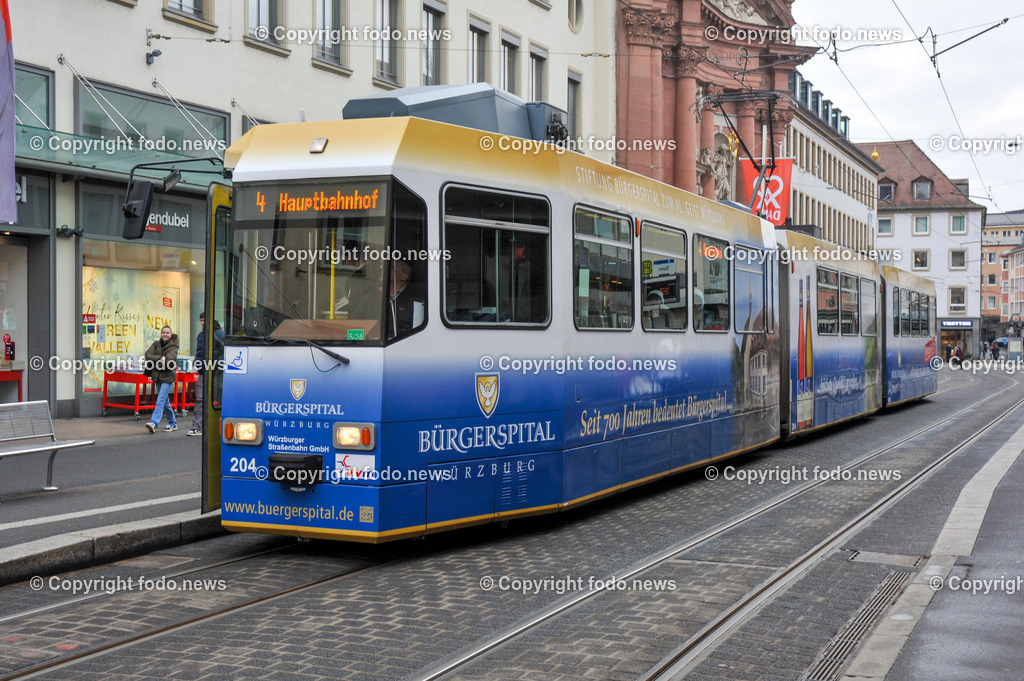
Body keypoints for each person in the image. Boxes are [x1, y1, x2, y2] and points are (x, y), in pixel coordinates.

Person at [145, 325, 179, 433]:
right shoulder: (156, 344)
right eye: (163, 332)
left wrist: (158, 361)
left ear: (171, 334)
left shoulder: (173, 347)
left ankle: (153, 423)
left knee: (160, 400)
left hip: (168, 377)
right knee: (165, 402)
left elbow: (169, 363)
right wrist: (160, 358)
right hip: (158, 376)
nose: (165, 334)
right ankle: (173, 423)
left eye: (167, 333)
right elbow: (147, 355)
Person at [387, 260, 423, 339]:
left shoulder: (415, 302)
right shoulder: (369, 298)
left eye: (393, 267)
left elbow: (419, 333)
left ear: (404, 276)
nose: (383, 268)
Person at [187, 313, 207, 436]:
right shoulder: (200, 335)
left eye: (204, 320)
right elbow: (198, 352)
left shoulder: (218, 334)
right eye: (201, 320)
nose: (202, 323)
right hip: (203, 372)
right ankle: (197, 427)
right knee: (199, 399)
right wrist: (197, 363)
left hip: (215, 372)